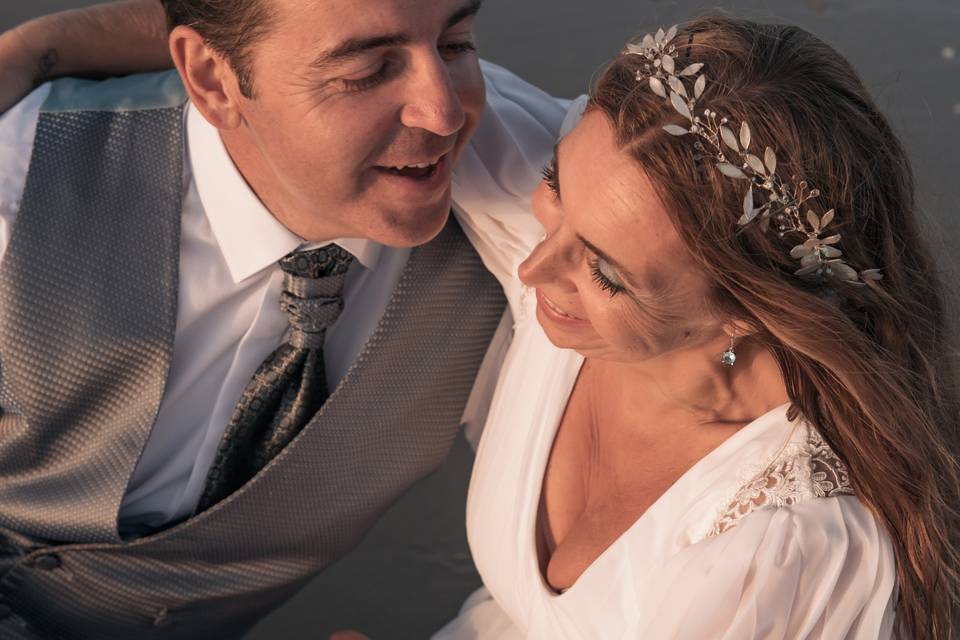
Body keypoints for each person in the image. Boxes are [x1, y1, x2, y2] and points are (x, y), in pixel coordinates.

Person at [0, 0, 567, 638]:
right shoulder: (20, 181)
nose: (443, 111)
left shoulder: (534, 227)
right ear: (213, 81)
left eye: (458, 43)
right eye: (367, 70)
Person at [436, 14, 960, 640]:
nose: (532, 267)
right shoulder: (587, 227)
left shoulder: (780, 551)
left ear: (746, 310)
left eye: (607, 273)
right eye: (555, 183)